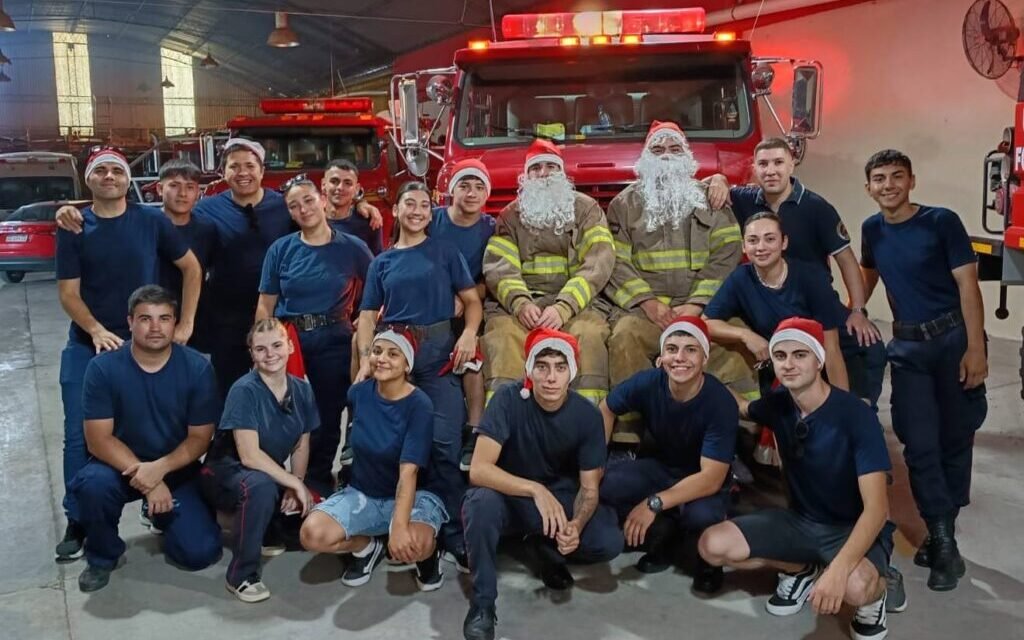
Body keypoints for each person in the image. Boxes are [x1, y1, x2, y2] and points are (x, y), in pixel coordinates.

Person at [698, 317, 894, 640]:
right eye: (780, 356)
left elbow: (877, 510)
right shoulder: (780, 405)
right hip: (802, 522)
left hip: (852, 528)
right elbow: (744, 408)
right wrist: (695, 376)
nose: (788, 365)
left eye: (799, 355)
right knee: (712, 545)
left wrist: (840, 569)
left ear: (819, 360)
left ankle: (879, 592)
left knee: (856, 587)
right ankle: (802, 570)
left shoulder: (856, 417)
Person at [54, 147, 203, 563]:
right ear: (89, 180)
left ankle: (157, 493)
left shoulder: (152, 222)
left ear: (126, 180)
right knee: (78, 437)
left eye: (116, 171)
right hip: (90, 343)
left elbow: (191, 269)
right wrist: (97, 331)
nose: (108, 177)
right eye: (99, 171)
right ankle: (79, 519)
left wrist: (185, 323)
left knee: (151, 427)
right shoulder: (75, 226)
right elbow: (68, 293)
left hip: (146, 345)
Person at [860, 150, 988, 592]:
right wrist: (852, 311)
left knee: (956, 437)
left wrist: (976, 349)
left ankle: (942, 533)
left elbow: (968, 287)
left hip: (952, 340)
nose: (888, 184)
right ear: (869, 187)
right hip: (908, 347)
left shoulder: (941, 222)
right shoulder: (871, 229)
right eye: (879, 178)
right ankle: (944, 540)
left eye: (897, 176)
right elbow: (867, 277)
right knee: (918, 442)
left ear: (912, 181)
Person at [462, 328, 622, 640]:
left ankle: (546, 547)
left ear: (571, 374)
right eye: (542, 366)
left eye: (560, 368)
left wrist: (575, 524)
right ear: (530, 370)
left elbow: (589, 488)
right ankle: (482, 604)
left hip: (558, 501)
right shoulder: (507, 400)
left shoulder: (586, 416)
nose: (550, 378)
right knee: (479, 503)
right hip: (510, 494)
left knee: (608, 541)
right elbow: (479, 470)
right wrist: (535, 489)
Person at [354, 181, 483, 569]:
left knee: (444, 443)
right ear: (397, 209)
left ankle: (452, 533)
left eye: (424, 205)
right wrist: (365, 357)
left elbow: (472, 301)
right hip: (394, 359)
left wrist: (470, 334)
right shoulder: (383, 262)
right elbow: (365, 316)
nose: (416, 211)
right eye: (409, 203)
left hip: (438, 356)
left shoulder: (445, 251)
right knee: (393, 446)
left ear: (431, 212)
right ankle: (392, 523)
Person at [707, 138, 885, 406]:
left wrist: (858, 310)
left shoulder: (817, 208)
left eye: (779, 162)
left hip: (816, 302)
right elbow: (707, 184)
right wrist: (718, 178)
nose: (771, 170)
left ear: (792, 164)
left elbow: (846, 260)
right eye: (763, 164)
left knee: (865, 346)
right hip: (769, 307)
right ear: (753, 168)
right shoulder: (743, 199)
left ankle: (857, 414)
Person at [602, 121, 749, 445]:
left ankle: (738, 435)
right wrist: (649, 304)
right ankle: (630, 436)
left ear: (686, 156)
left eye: (674, 149)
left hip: (702, 309)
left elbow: (727, 255)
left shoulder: (712, 199)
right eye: (657, 150)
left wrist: (696, 305)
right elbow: (616, 263)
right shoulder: (623, 206)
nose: (666, 156)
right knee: (624, 337)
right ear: (645, 157)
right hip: (646, 310)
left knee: (735, 340)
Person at [71, 285, 222, 592]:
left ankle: (163, 517)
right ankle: (102, 556)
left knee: (200, 553)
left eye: (164, 318)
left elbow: (199, 439)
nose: (155, 327)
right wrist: (150, 479)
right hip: (117, 468)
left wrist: (162, 469)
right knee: (92, 486)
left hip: (176, 468)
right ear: (130, 322)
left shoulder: (197, 368)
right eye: (145, 318)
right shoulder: (103, 368)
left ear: (175, 322)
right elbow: (98, 440)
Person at [300, 329, 449, 590]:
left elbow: (408, 473)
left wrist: (400, 526)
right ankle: (368, 547)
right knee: (312, 534)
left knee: (413, 543)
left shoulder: (419, 405)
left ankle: (429, 557)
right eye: (377, 351)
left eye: (393, 354)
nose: (381, 359)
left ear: (407, 365)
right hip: (365, 492)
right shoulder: (358, 393)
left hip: (413, 494)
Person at [598, 316, 737, 593]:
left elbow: (710, 478)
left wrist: (653, 503)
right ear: (661, 357)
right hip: (662, 468)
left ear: (704, 358)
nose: (680, 358)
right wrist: (596, 462)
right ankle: (664, 531)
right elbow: (606, 407)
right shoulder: (649, 382)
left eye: (691, 349)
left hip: (702, 479)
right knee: (606, 484)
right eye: (672, 349)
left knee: (701, 515)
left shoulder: (720, 402)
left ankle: (707, 561)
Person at [256, 175, 373, 497]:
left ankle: (318, 484)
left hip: (335, 341)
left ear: (322, 200)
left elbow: (375, 298)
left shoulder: (353, 249)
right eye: (294, 205)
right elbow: (265, 305)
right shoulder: (281, 250)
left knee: (324, 419)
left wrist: (365, 342)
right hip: (290, 343)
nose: (303, 208)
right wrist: (262, 350)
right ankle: (281, 487)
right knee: (286, 417)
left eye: (308, 200)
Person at [481, 138, 614, 408]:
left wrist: (564, 306)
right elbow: (499, 268)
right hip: (521, 308)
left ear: (563, 174)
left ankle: (588, 425)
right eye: (536, 168)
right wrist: (520, 303)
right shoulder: (509, 216)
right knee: (502, 339)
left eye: (551, 167)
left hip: (578, 305)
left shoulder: (586, 209)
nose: (543, 174)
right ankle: (503, 425)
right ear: (526, 176)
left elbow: (598, 262)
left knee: (588, 337)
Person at [201, 318, 319, 602]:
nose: (271, 354)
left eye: (277, 345)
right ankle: (241, 574)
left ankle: (264, 527)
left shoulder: (301, 389)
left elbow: (302, 444)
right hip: (224, 471)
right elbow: (249, 455)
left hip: (266, 471)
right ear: (252, 353)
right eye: (261, 349)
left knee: (306, 507)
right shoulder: (244, 390)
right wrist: (291, 481)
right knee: (261, 486)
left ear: (290, 346)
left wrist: (297, 484)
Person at [704, 211, 850, 393]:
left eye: (770, 239)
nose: (761, 247)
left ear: (784, 242)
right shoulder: (741, 278)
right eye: (753, 240)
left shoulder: (812, 277)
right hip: (779, 368)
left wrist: (842, 405)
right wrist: (745, 335)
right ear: (743, 246)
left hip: (821, 366)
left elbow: (831, 348)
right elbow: (707, 322)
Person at [429, 159, 496, 470]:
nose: (471, 193)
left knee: (473, 359)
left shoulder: (493, 230)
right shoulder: (431, 221)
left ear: (487, 194)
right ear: (451, 190)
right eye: (464, 186)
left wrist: (466, 297)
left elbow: (493, 279)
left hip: (471, 306)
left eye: (479, 187)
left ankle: (474, 431)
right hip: (431, 305)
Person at [155, 159, 218, 350]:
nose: (182, 194)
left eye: (190, 187)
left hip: (198, 321)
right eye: (174, 186)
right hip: (153, 316)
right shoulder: (146, 224)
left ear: (198, 192)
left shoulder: (207, 229)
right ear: (159, 188)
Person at [322, 158, 385, 255]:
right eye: (334, 181)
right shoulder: (308, 219)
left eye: (347, 183)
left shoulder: (369, 222)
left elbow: (377, 264)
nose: (340, 187)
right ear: (323, 185)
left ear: (356, 189)